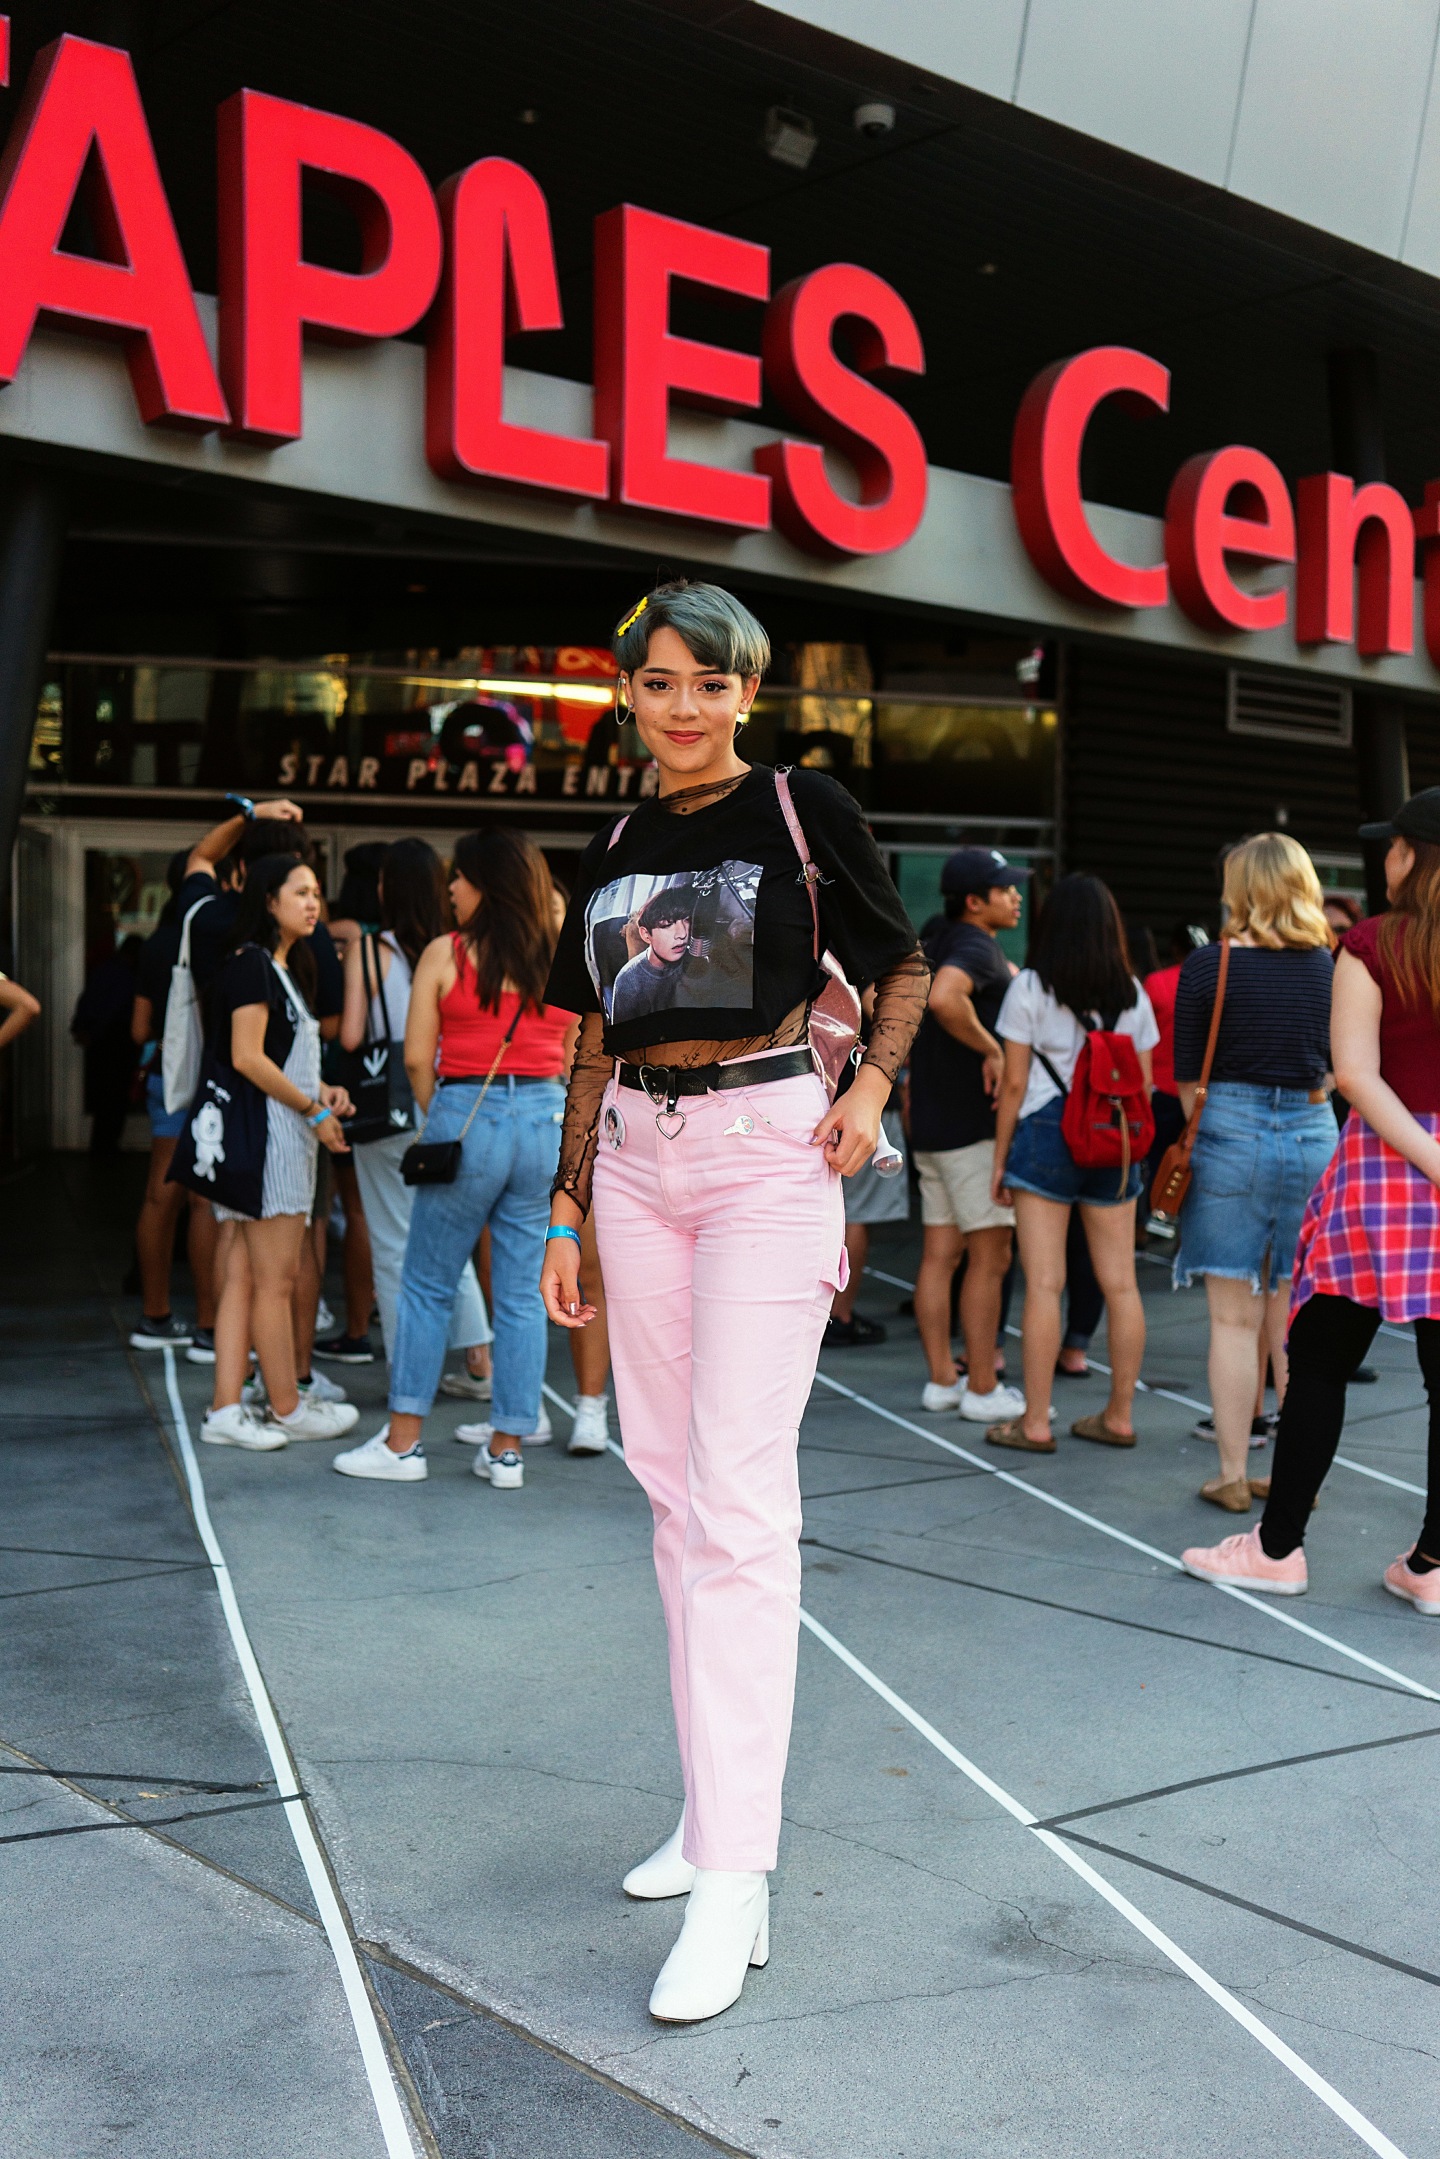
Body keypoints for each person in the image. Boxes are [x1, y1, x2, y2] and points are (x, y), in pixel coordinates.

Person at [540, 580, 927, 2025]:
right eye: (659, 682)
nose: (684, 705)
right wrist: (568, 1202)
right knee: (669, 1493)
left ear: (747, 692)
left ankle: (737, 1879)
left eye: (711, 681)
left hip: (771, 1154)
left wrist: (876, 1088)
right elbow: (593, 1027)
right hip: (636, 1165)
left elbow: (900, 958)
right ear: (627, 693)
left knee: (743, 1501)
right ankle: (711, 1814)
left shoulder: (797, 804)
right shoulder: (621, 840)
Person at [1184, 792, 1440, 1610]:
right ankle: (1434, 1563)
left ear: (1415, 856)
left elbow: (1357, 1075)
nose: (1386, 859)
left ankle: (1277, 1546)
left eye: (1394, 846)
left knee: (1320, 1355)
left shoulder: (1372, 943)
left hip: (1386, 1166)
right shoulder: (1350, 945)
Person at [333, 830, 573, 1485]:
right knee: (523, 1294)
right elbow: (579, 1053)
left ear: (485, 884)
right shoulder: (563, 956)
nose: (451, 890)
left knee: (426, 1282)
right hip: (546, 1120)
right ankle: (506, 1450)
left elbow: (416, 1056)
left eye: (459, 879)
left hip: (467, 1113)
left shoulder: (447, 952)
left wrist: (443, 1115)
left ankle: (403, 1442)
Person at [1171, 835, 1337, 1511]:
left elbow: (1188, 1083)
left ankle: (1234, 1473)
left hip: (1229, 1130)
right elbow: (1335, 1069)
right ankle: (1296, 1478)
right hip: (1311, 1129)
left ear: (1238, 888)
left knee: (1232, 1321)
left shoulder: (1211, 965)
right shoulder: (1330, 965)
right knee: (1294, 1321)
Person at [175, 854, 359, 1450]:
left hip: (270, 1134)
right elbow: (248, 1056)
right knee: (276, 1280)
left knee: (244, 1279)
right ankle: (285, 1405)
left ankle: (227, 1409)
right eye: (300, 892)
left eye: (316, 894)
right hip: (272, 1141)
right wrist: (315, 1110)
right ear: (269, 900)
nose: (313, 904)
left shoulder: (275, 965)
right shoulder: (254, 965)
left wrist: (319, 1093)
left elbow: (273, 1061)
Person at [988, 873, 1157, 1453]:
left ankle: (1035, 1423)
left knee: (1043, 1284)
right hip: (1114, 1142)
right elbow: (1147, 1083)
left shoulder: (1031, 987)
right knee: (1122, 1284)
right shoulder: (1132, 993)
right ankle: (1120, 1416)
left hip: (1046, 1134)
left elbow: (1013, 1083)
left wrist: (1001, 1159)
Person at [331, 838, 493, 1413]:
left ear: (385, 889)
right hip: (446, 1101)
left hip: (387, 1108)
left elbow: (352, 1036)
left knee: (394, 1245)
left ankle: (409, 1376)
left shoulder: (369, 952)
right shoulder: (454, 949)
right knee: (447, 1237)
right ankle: (479, 1361)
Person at [907, 847, 1027, 1420]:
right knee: (990, 1258)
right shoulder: (975, 945)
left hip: (932, 1123)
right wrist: (992, 1049)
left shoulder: (939, 941)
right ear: (975, 901)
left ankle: (941, 1381)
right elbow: (944, 997)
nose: (1016, 897)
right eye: (1004, 889)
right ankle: (982, 1388)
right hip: (971, 1130)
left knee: (941, 1255)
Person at [129, 852, 220, 1355]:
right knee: (203, 1196)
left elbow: (139, 1029)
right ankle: (210, 1324)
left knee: (159, 1195)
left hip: (169, 1074)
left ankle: (155, 1314)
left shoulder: (160, 943)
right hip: (213, 1079)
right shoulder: (221, 937)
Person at [1139, 923, 1199, 1244]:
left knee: (1159, 1160)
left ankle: (1158, 1219)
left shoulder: (1156, 982)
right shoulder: (1213, 980)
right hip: (1201, 1092)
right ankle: (1188, 1231)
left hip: (1161, 1088)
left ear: (1175, 949)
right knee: (1198, 1163)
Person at [72, 934, 143, 1155]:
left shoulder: (104, 970)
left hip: (100, 1042)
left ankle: (101, 1146)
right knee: (115, 1097)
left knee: (103, 1097)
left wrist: (82, 1029)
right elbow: (116, 1010)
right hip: (115, 1042)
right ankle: (107, 1147)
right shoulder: (127, 976)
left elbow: (87, 1001)